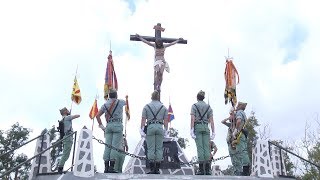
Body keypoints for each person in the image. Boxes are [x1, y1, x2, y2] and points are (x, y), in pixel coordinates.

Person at [96, 89, 128, 173]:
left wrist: (101, 126)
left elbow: (97, 115)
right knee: (114, 146)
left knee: (107, 146)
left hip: (108, 126)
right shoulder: (120, 102)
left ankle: (106, 167)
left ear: (109, 96)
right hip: (117, 125)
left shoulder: (105, 104)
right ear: (116, 95)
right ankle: (111, 167)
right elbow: (126, 103)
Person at [140, 90, 168, 174]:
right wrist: (166, 130)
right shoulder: (163, 107)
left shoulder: (146, 106)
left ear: (151, 97)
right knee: (159, 148)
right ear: (158, 97)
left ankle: (152, 169)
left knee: (151, 148)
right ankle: (157, 169)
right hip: (160, 127)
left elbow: (143, 119)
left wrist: (141, 129)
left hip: (150, 127)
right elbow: (166, 120)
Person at [190, 90, 215, 175]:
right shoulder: (209, 107)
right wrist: (213, 131)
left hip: (198, 127)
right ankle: (207, 170)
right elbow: (211, 121)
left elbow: (192, 119)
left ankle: (201, 170)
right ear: (203, 98)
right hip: (206, 127)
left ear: (197, 97)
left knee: (200, 148)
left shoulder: (194, 106)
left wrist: (191, 130)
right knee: (207, 149)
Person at [57, 107, 80, 173]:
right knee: (66, 154)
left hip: (65, 137)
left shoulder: (62, 119)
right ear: (65, 112)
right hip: (68, 137)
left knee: (66, 154)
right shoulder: (67, 118)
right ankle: (60, 168)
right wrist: (70, 115)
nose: (68, 111)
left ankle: (60, 166)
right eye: (67, 110)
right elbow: (78, 116)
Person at [232, 102, 250, 176]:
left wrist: (235, 130)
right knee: (244, 151)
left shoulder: (239, 112)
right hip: (244, 134)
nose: (236, 107)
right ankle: (246, 170)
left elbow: (239, 121)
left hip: (240, 134)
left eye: (237, 106)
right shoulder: (243, 113)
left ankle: (245, 171)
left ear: (240, 106)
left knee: (242, 151)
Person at [221, 107, 237, 175]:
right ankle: (236, 171)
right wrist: (229, 118)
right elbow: (222, 121)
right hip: (229, 144)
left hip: (233, 144)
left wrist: (233, 116)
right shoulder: (230, 125)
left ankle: (237, 172)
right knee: (232, 159)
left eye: (231, 114)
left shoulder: (236, 125)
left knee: (236, 159)